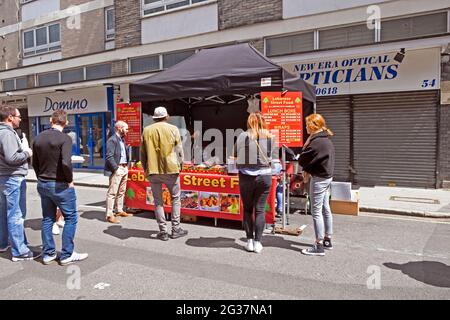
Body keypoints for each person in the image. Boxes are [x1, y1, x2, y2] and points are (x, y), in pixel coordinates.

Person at [33, 110, 88, 265]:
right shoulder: (65, 138)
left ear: (51, 120)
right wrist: (69, 180)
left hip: (43, 182)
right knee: (71, 217)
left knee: (47, 218)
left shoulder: (38, 138)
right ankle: (66, 254)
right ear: (66, 122)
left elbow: (34, 163)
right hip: (59, 184)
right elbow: (66, 162)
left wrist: (40, 177)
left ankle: (48, 253)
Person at [234, 112, 279, 254]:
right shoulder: (271, 136)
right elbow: (275, 160)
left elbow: (235, 154)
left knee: (247, 209)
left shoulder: (243, 136)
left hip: (246, 177)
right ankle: (258, 242)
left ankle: (249, 242)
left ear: (249, 122)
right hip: (264, 177)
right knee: (260, 210)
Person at [141, 106, 188, 241]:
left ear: (154, 118)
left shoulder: (146, 131)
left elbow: (142, 153)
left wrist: (145, 169)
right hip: (171, 169)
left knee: (158, 202)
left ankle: (163, 231)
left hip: (153, 170)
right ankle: (175, 228)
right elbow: (179, 150)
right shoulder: (173, 129)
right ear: (166, 116)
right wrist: (181, 165)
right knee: (175, 199)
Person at [0, 105, 39, 261]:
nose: (20, 119)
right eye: (18, 116)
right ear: (10, 117)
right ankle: (20, 251)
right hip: (12, 178)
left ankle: (3, 243)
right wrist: (27, 152)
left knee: (4, 213)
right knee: (16, 214)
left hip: (4, 177)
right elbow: (12, 158)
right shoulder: (7, 134)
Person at [298, 113, 335, 256]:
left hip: (319, 179)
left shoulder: (316, 142)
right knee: (325, 208)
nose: (305, 127)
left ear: (313, 126)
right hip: (326, 177)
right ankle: (327, 239)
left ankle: (318, 244)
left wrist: (306, 145)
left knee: (316, 211)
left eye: (307, 124)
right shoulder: (325, 140)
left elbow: (302, 160)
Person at [104, 121, 133, 224]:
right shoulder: (112, 140)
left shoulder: (122, 139)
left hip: (124, 167)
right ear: (119, 128)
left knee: (122, 191)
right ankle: (109, 215)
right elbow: (109, 156)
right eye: (126, 129)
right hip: (118, 168)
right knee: (112, 192)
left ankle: (119, 210)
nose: (127, 131)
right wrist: (116, 168)